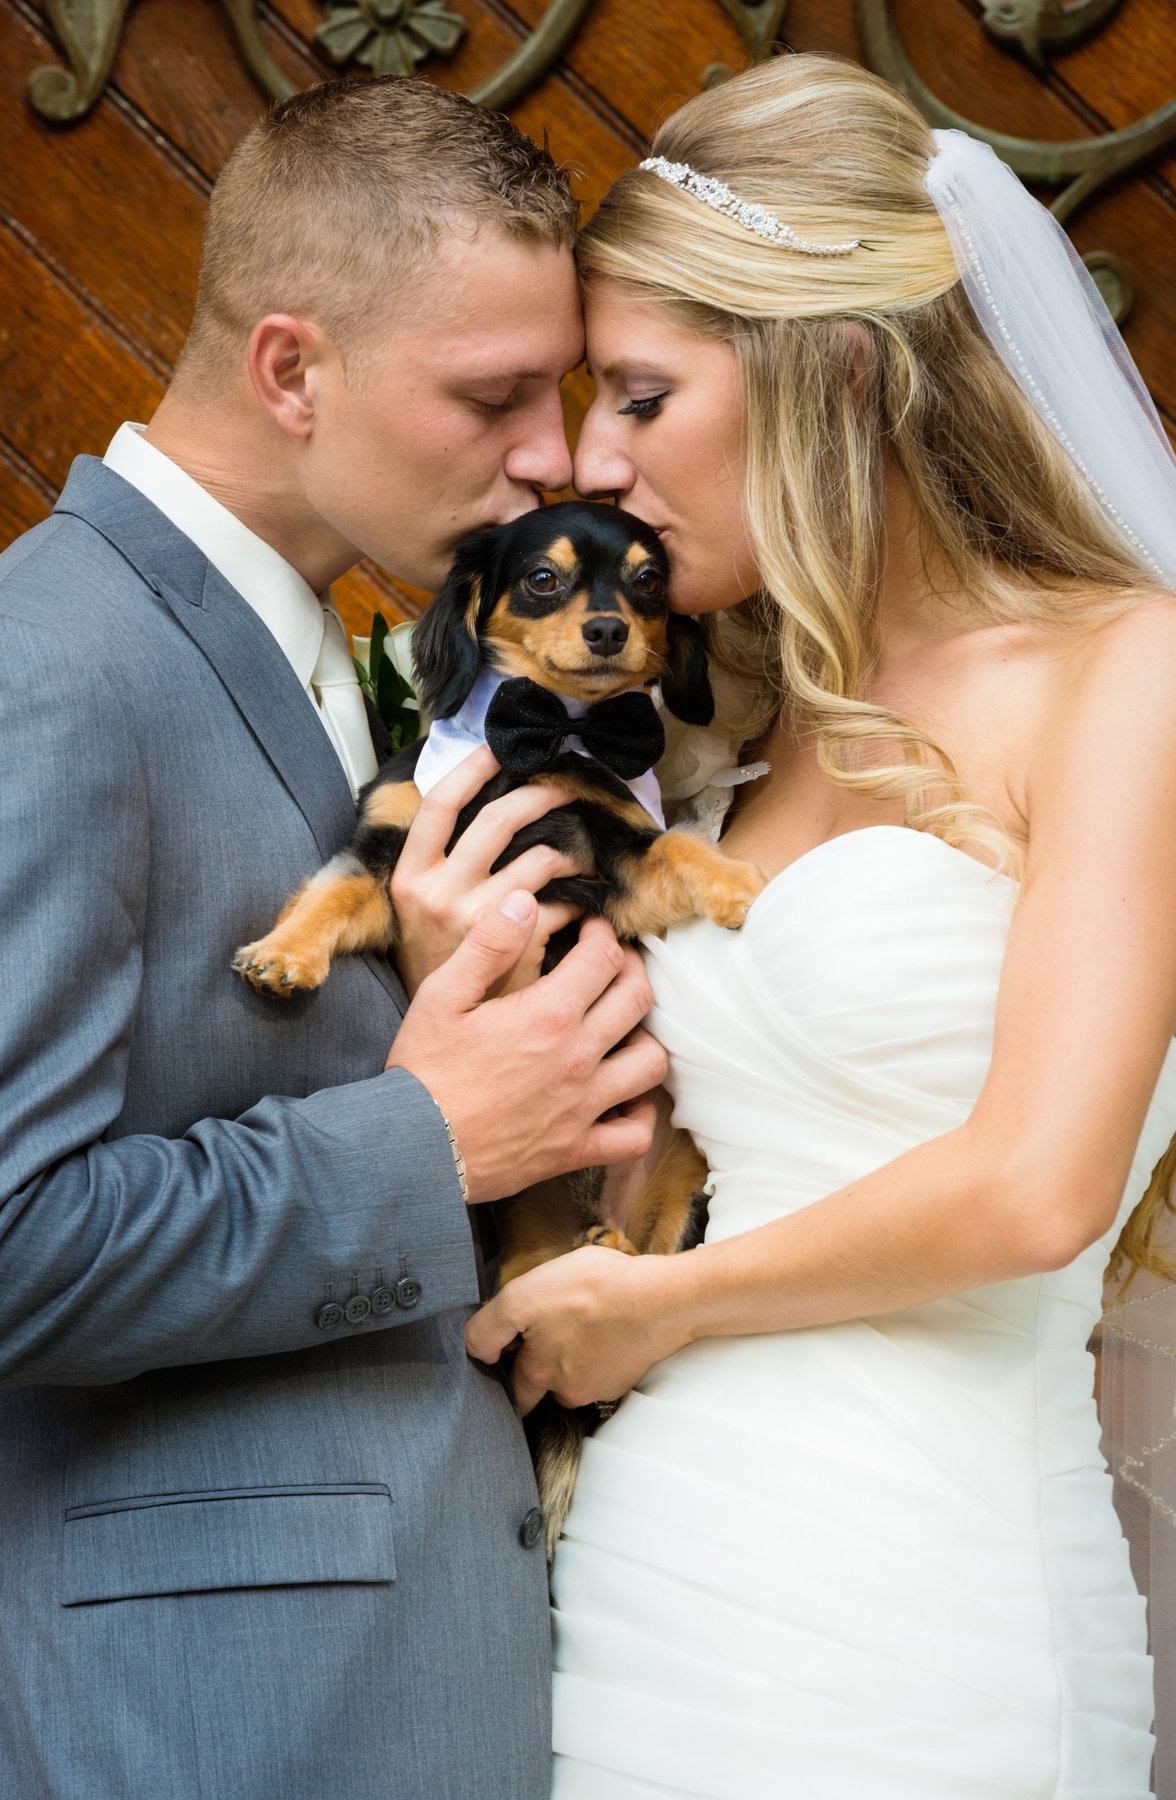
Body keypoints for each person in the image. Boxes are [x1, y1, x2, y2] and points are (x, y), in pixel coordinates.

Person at [464, 55, 1176, 1798]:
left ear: (832, 369)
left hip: (919, 1619)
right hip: (643, 1595)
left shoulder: (1131, 672)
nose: (594, 465)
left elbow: (1035, 1187)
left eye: (641, 395)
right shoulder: (724, 721)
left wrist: (664, 1306)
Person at [0, 76, 667, 1800]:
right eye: (494, 395)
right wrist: (429, 1143)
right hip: (203, 1720)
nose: (552, 457)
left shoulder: (354, 648)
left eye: (565, 393)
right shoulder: (49, 666)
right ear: (293, 368)